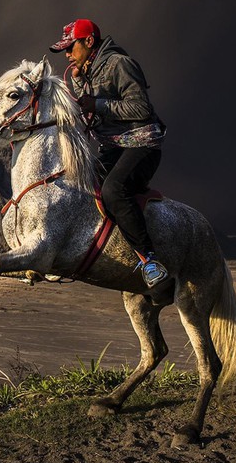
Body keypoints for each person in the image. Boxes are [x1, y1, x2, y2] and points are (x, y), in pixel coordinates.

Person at [49, 19, 169, 288]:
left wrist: (98, 104)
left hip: (141, 144)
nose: (67, 54)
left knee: (114, 190)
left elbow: (141, 109)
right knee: (79, 185)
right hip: (113, 147)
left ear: (89, 42)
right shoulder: (86, 70)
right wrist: (80, 87)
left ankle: (150, 261)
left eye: (71, 47)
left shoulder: (120, 64)